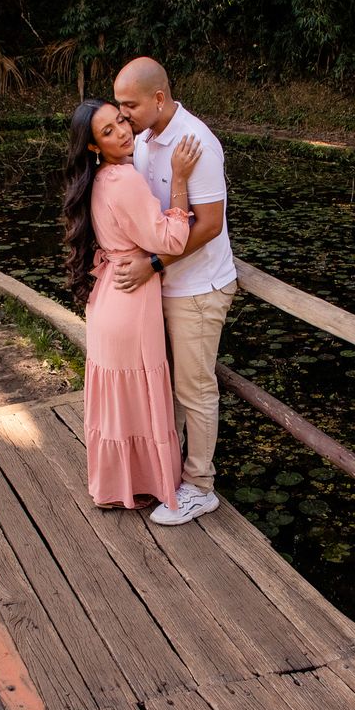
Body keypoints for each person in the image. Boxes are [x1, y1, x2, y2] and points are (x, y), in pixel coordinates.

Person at [113, 57, 237, 526]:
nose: (123, 116)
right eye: (119, 108)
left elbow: (208, 226)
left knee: (194, 388)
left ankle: (201, 487)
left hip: (197, 288)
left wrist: (154, 264)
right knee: (163, 386)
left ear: (159, 98)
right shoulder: (144, 140)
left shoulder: (197, 142)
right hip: (161, 285)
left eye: (130, 106)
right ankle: (167, 472)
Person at [62, 98, 202, 510]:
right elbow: (172, 239)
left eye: (122, 120)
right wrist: (179, 178)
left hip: (107, 295)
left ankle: (114, 486)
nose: (123, 131)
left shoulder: (101, 179)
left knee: (116, 399)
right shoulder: (123, 180)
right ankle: (139, 487)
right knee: (136, 395)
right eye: (109, 131)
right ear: (93, 146)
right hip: (130, 300)